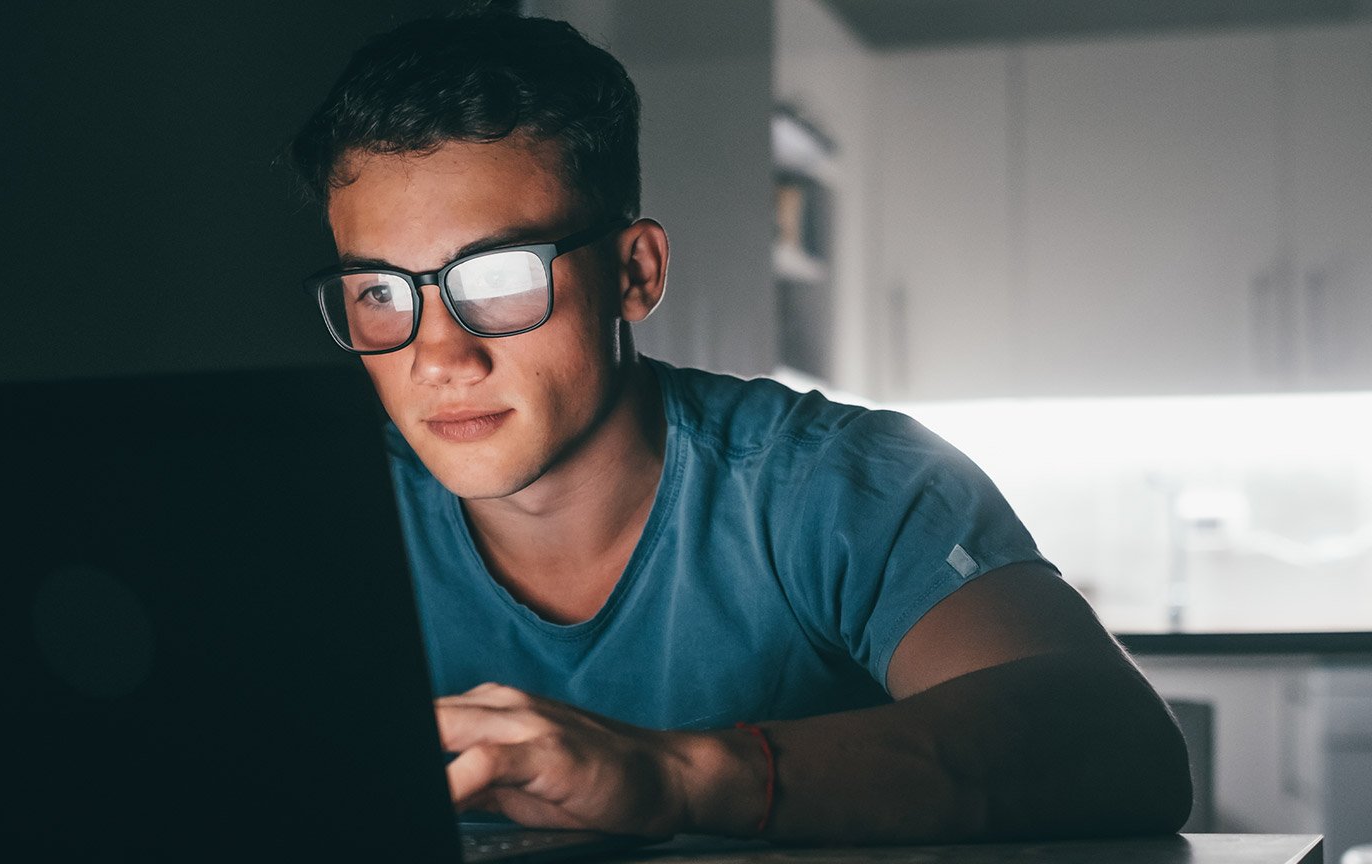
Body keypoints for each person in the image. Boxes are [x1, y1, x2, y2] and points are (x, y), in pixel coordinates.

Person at [286, 10, 1191, 844]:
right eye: (378, 292)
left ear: (635, 272)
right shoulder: (315, 519)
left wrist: (671, 777)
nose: (439, 357)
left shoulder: (846, 484)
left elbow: (1120, 744)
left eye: (498, 279)